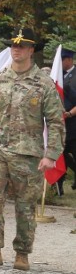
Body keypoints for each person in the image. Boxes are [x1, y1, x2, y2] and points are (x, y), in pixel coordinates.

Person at [0, 28, 65, 271]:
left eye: (22, 45)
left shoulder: (44, 84)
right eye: (13, 45)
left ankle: (22, 253)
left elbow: (56, 122)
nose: (16, 49)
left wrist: (51, 155)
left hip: (28, 153)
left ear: (31, 50)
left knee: (25, 206)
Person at [58, 48, 75, 194]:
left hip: (73, 124)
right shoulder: (58, 76)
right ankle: (58, 186)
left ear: (69, 60)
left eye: (61, 60)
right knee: (59, 154)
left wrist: (69, 113)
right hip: (60, 125)